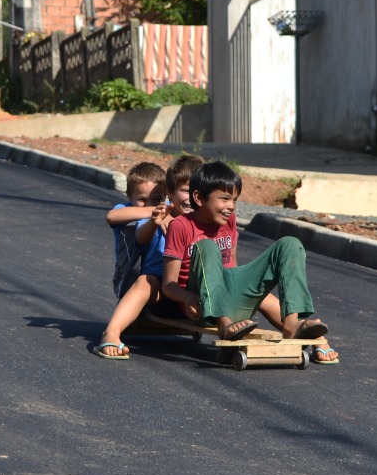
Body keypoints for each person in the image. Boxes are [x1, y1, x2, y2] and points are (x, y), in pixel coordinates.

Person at [161, 161, 339, 364]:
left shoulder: (229, 220)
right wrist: (187, 297)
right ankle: (224, 325)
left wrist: (251, 291)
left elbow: (233, 268)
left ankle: (292, 324)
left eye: (234, 200)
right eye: (225, 199)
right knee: (208, 247)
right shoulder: (181, 226)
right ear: (199, 198)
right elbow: (168, 285)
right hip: (202, 304)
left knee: (290, 244)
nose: (231, 207)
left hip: (230, 293)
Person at [94, 154, 202, 360]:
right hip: (158, 287)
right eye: (142, 199)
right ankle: (111, 333)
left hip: (189, 286)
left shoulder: (191, 214)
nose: (149, 204)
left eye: (157, 199)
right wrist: (155, 217)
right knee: (146, 281)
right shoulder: (153, 215)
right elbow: (122, 223)